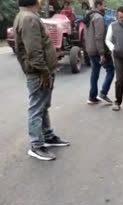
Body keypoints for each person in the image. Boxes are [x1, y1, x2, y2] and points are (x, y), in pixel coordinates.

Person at [14, 0, 70, 161]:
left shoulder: (26, 16)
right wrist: (44, 73)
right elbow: (34, 52)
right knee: (37, 108)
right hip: (38, 73)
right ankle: (36, 145)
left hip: (41, 72)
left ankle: (47, 135)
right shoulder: (29, 19)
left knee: (43, 105)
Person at [84, 0, 114, 105]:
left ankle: (92, 97)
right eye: (104, 5)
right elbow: (99, 37)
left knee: (94, 73)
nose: (105, 7)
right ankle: (103, 93)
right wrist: (102, 54)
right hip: (98, 51)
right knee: (111, 69)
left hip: (90, 50)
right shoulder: (98, 18)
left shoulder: (88, 17)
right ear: (98, 5)